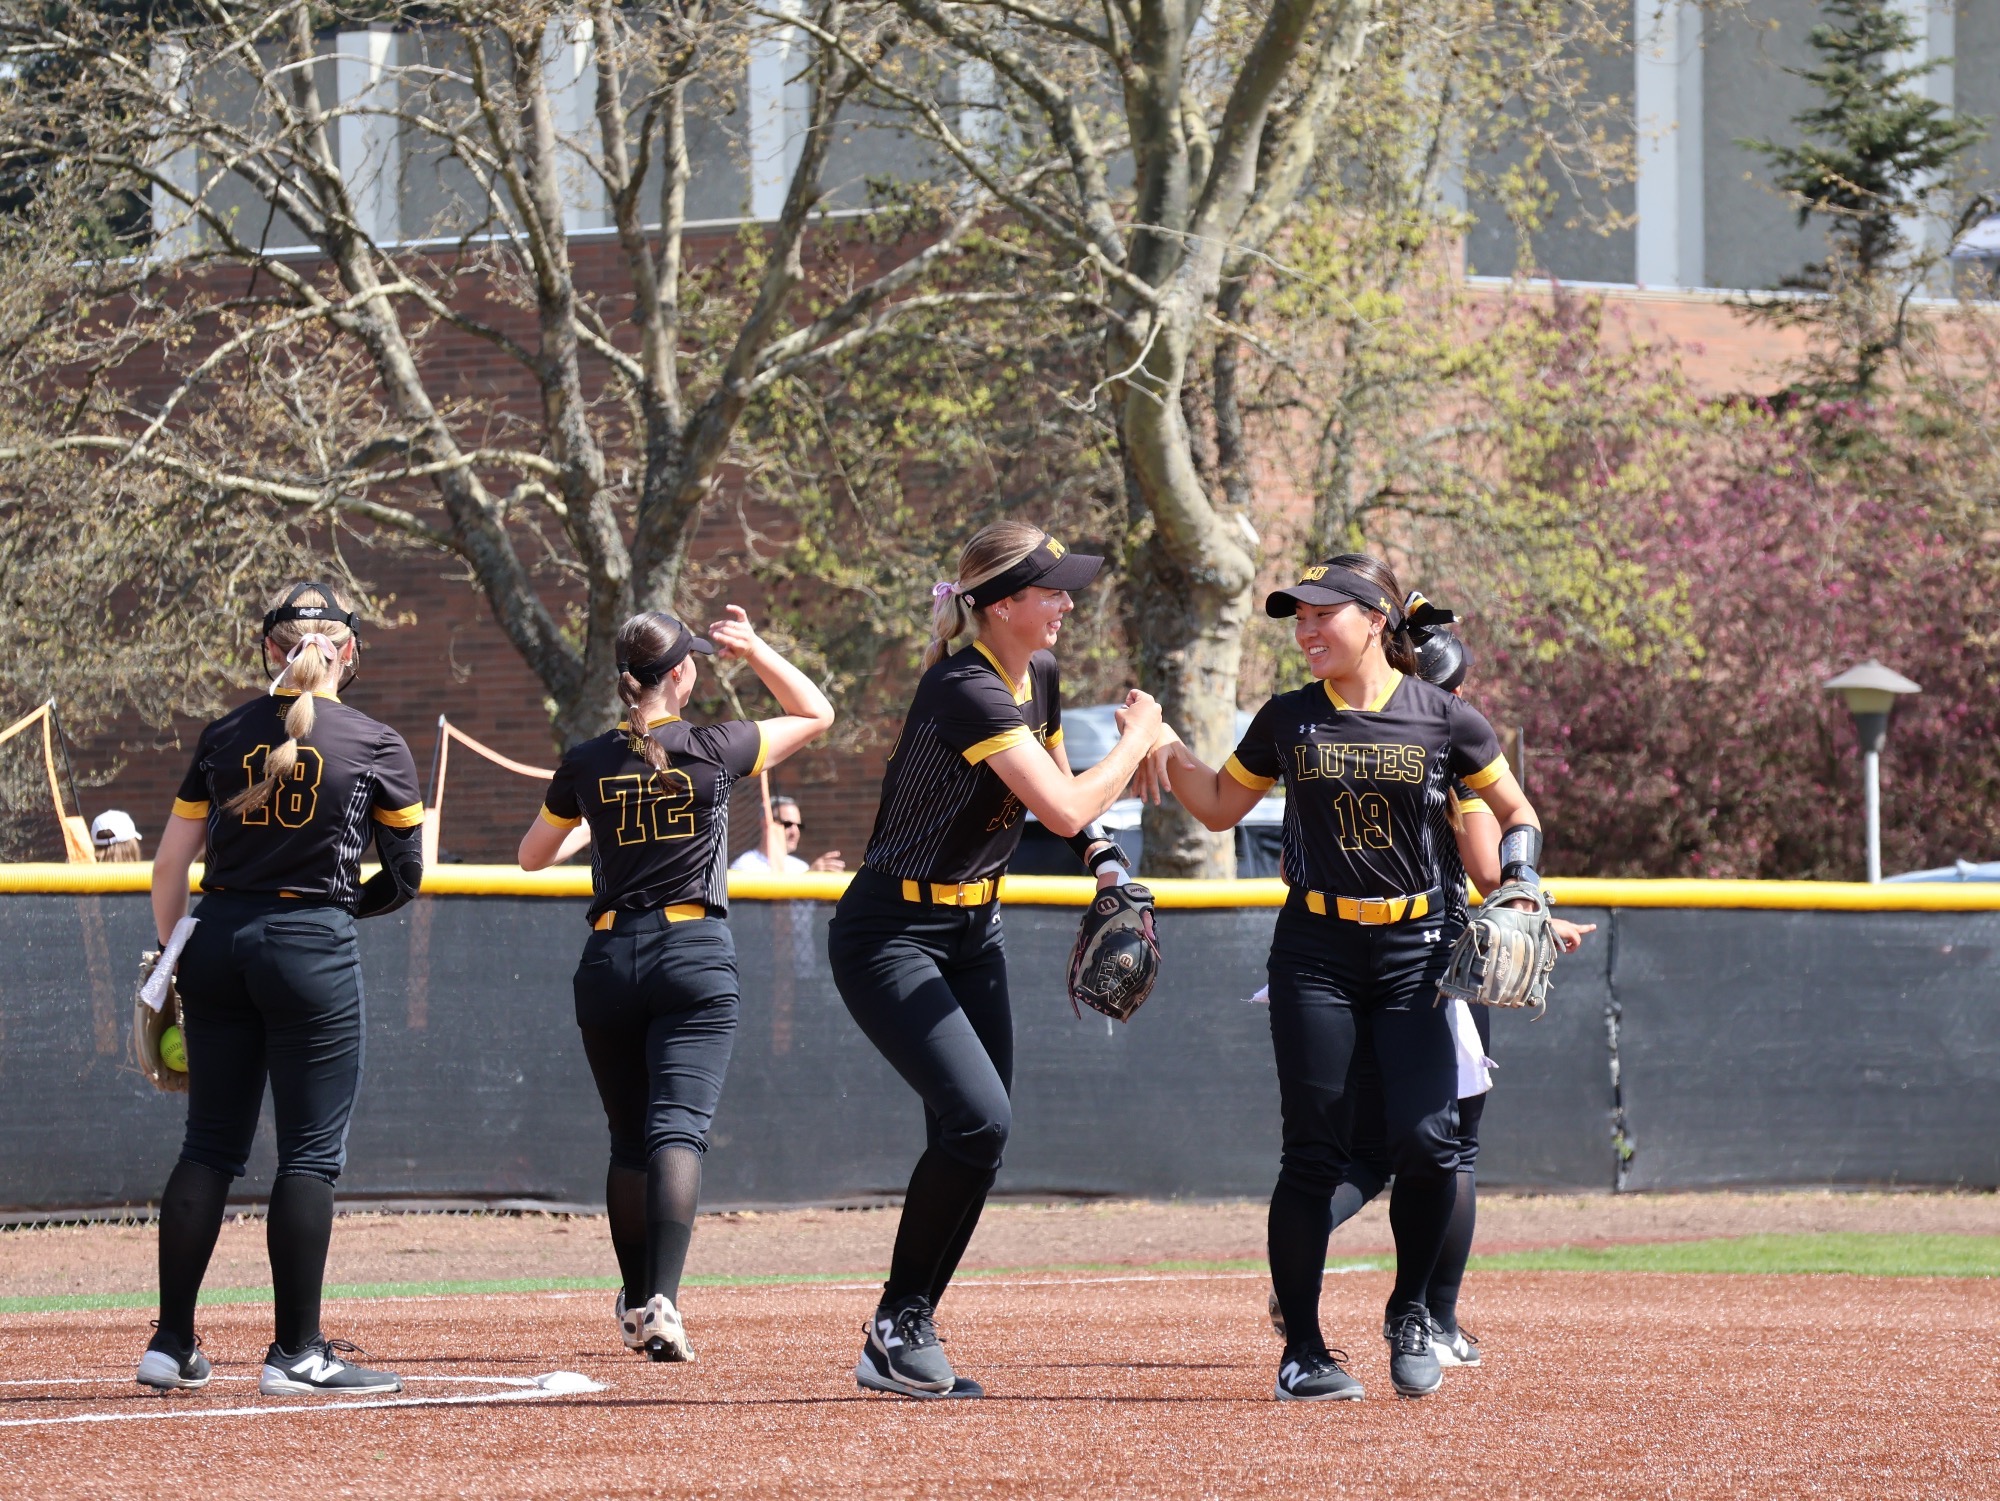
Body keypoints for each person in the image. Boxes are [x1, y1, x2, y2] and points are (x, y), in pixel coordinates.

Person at [1144, 553, 1545, 1402]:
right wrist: (1161, 742)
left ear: (1376, 620)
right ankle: (1305, 1352)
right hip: (1315, 951)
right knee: (1313, 1154)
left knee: (1433, 1142)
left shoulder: (1445, 717)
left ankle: (1410, 1312)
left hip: (1415, 956)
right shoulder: (1289, 718)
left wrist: (1523, 880)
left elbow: (1516, 811)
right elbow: (1218, 803)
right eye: (1299, 616)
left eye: (1325, 612)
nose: (1308, 628)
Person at [829, 520, 1159, 1399]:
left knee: (981, 1134)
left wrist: (1109, 865)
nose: (1066, 603)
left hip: (976, 931)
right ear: (1003, 604)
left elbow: (1062, 795)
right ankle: (899, 1321)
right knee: (979, 1120)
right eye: (1052, 590)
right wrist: (1137, 739)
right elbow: (1057, 804)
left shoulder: (1036, 673)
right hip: (890, 930)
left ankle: (903, 1328)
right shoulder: (964, 688)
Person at [1263, 604, 1596, 1370]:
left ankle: (1334, 1284)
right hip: (1431, 957)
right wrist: (1526, 897)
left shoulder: (1327, 735)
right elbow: (1488, 867)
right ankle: (1432, 1315)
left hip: (1331, 947)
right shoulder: (1439, 742)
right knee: (1446, 1143)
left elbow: (1290, 861)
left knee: (1367, 1146)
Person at [517, 606, 832, 1363]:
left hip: (609, 956)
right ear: (683, 673)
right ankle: (663, 1301)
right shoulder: (713, 744)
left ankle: (635, 1302)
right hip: (692, 953)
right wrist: (755, 646)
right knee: (677, 1132)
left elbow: (532, 855)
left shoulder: (587, 759)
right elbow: (817, 711)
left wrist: (600, 819)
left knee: (630, 1140)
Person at [137, 583, 426, 1396]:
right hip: (311, 943)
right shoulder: (374, 741)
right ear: (348, 650)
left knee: (207, 1145)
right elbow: (406, 878)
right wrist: (334, 910)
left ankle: (169, 1344)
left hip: (218, 938)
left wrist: (170, 958)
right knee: (307, 1154)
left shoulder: (225, 733)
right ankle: (297, 1352)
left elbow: (169, 868)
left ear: (271, 649)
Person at [729, 796, 844, 873]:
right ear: (766, 824)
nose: (795, 832)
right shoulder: (744, 866)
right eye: (787, 824)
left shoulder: (800, 867)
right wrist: (807, 880)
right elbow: (770, 908)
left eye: (798, 826)